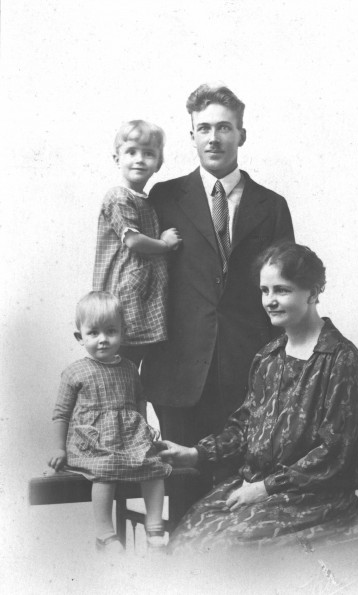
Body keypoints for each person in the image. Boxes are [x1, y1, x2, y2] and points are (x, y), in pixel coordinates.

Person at [159, 242, 358, 552]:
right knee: (186, 536)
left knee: (224, 548)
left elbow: (334, 453)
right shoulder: (268, 356)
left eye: (282, 290)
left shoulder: (340, 359)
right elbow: (244, 428)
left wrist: (265, 488)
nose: (270, 301)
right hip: (257, 485)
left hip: (313, 497)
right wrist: (195, 454)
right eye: (265, 290)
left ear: (313, 292)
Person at [141, 85, 294, 508]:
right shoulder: (164, 198)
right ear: (191, 135)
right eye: (204, 128)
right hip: (178, 373)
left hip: (248, 376)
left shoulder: (272, 205)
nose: (214, 138)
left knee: (236, 505)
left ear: (241, 134)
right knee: (183, 502)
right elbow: (142, 281)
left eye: (224, 127)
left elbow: (286, 296)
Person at [48, 291, 172, 553]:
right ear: (79, 337)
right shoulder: (75, 372)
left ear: (122, 333)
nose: (103, 339)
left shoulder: (128, 368)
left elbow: (139, 402)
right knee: (104, 470)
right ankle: (105, 534)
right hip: (93, 443)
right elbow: (61, 413)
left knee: (153, 466)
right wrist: (59, 448)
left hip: (128, 438)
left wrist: (143, 431)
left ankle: (154, 527)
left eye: (111, 331)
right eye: (93, 333)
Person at [92, 119, 182, 368]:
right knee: (119, 362)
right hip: (125, 291)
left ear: (158, 163)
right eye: (131, 152)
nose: (139, 159)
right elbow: (132, 240)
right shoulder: (119, 197)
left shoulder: (145, 200)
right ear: (117, 158)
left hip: (141, 294)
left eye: (148, 153)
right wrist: (164, 245)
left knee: (133, 368)